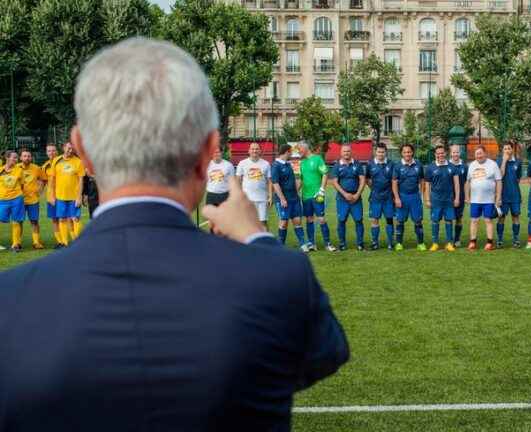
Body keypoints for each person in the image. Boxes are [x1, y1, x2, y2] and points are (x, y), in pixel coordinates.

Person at [0, 37, 348, 431]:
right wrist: (258, 239)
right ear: (208, 152)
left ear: (82, 151)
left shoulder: (8, 302)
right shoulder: (278, 280)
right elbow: (324, 352)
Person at [298, 142, 336, 251]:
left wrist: (322, 190)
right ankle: (311, 243)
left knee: (321, 219)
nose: (299, 151)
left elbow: (325, 173)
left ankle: (328, 244)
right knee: (309, 219)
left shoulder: (317, 159)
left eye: (300, 149)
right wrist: (296, 191)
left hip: (317, 195)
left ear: (305, 148)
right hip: (305, 196)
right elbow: (301, 179)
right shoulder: (302, 163)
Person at [272, 143, 309, 250]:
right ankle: (281, 246)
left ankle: (303, 244)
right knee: (284, 223)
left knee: (297, 221)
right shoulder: (276, 165)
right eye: (291, 152)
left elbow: (292, 181)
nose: (292, 154)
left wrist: (297, 189)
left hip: (294, 198)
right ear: (287, 152)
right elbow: (275, 183)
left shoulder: (288, 164)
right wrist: (282, 199)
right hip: (283, 199)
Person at [424, 145, 460, 251]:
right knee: (435, 221)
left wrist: (457, 198)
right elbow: (427, 185)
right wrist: (427, 199)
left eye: (442, 153)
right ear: (435, 155)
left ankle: (449, 243)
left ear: (445, 153)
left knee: (449, 221)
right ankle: (435, 243)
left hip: (449, 199)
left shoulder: (452, 167)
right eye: (438, 153)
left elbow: (456, 184)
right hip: (436, 200)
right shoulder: (430, 167)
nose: (440, 155)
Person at [465, 146, 502, 251]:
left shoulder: (493, 165)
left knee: (488, 220)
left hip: (489, 200)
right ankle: (472, 242)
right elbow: (467, 181)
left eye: (480, 153)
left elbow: (499, 181)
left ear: (485, 153)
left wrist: (498, 197)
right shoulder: (472, 165)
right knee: (474, 220)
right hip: (475, 200)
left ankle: (489, 242)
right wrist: (467, 196)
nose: (479, 156)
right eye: (477, 154)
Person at [331, 144, 366, 251]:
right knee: (341, 221)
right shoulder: (337, 166)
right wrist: (345, 194)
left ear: (351, 152)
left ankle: (360, 244)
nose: (346, 153)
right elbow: (335, 182)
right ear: (341, 153)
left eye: (348, 151)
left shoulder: (357, 164)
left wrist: (357, 195)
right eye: (344, 151)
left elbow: (362, 180)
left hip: (356, 198)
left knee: (359, 220)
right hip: (342, 199)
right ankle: (342, 244)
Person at [392, 144, 426, 251]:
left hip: (415, 196)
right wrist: (397, 198)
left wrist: (421, 193)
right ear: (402, 153)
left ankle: (420, 243)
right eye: (405, 152)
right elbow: (394, 182)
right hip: (402, 196)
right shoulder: (397, 166)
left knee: (418, 221)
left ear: (412, 152)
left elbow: (422, 180)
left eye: (409, 152)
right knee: (400, 221)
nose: (407, 154)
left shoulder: (418, 164)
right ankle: (399, 243)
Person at [51, 142, 86, 246]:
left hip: (74, 197)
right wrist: (52, 196)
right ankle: (65, 243)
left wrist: (79, 197)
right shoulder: (56, 161)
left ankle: (79, 243)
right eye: (69, 148)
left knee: (75, 218)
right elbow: (53, 180)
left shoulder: (78, 162)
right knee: (62, 219)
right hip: (60, 196)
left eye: (72, 149)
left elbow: (81, 181)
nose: (71, 151)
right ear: (63, 148)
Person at [366, 144, 396, 250]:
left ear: (386, 152)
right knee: (374, 220)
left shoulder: (391, 164)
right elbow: (368, 180)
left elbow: (394, 180)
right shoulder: (370, 164)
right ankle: (375, 243)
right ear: (375, 152)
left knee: (389, 219)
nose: (380, 154)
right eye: (379, 152)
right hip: (375, 197)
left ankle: (390, 242)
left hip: (388, 197)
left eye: (382, 152)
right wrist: (374, 189)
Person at [235, 142, 272, 225]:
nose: (254, 151)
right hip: (247, 199)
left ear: (260, 151)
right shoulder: (242, 163)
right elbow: (238, 180)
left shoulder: (266, 164)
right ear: (249, 151)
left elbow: (270, 181)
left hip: (262, 198)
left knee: (263, 223)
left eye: (257, 149)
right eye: (252, 149)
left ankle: (264, 238)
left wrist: (270, 196)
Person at [496, 140, 523, 248]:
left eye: (509, 148)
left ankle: (516, 239)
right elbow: (500, 176)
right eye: (505, 149)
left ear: (512, 150)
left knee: (515, 216)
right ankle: (500, 239)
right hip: (503, 195)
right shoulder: (498, 161)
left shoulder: (518, 162)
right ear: (502, 150)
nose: (507, 150)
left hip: (515, 195)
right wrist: (504, 161)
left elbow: (518, 178)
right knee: (501, 217)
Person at [19, 149, 45, 249]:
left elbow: (43, 179)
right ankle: (17, 242)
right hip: (19, 200)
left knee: (34, 221)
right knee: (19, 221)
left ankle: (36, 242)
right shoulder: (16, 168)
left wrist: (40, 191)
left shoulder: (36, 168)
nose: (27, 158)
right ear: (21, 158)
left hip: (33, 200)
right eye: (25, 156)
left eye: (29, 156)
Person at [0, 151, 24, 252]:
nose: (16, 160)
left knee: (16, 221)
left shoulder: (19, 170)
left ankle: (15, 245)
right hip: (2, 200)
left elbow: (22, 185)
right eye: (14, 158)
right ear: (7, 158)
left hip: (16, 199)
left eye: (16, 158)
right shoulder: (0, 170)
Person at [41, 144, 64, 248]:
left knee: (64, 218)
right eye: (49, 151)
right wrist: (38, 193)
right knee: (54, 219)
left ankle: (65, 240)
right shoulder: (45, 166)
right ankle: (59, 241)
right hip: (51, 197)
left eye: (53, 151)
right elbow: (43, 182)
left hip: (63, 195)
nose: (51, 153)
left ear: (57, 152)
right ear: (46, 153)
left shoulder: (63, 162)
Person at [448, 145, 468, 247]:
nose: (455, 154)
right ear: (450, 153)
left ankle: (457, 239)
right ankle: (450, 240)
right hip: (448, 196)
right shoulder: (446, 165)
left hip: (460, 196)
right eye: (453, 152)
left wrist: (466, 196)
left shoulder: (464, 166)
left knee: (459, 218)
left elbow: (466, 183)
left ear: (460, 153)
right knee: (449, 218)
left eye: (457, 152)